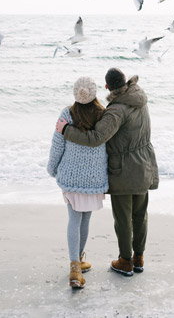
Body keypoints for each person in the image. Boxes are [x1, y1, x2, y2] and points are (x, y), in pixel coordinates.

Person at [56, 67, 158, 277]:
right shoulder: (140, 98)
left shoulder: (116, 110)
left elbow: (95, 138)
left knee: (123, 218)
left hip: (124, 170)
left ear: (107, 87)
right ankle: (139, 258)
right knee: (140, 215)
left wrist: (66, 130)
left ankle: (125, 261)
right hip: (145, 164)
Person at [47, 76, 108, 289]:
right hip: (94, 178)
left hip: (71, 177)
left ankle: (75, 266)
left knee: (74, 219)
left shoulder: (67, 114)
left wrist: (52, 168)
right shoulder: (103, 115)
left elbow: (57, 145)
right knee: (85, 219)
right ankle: (79, 261)